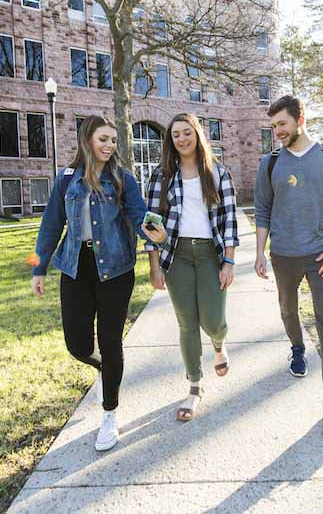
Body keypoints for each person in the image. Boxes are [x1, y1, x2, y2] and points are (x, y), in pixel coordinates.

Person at [31, 115, 167, 452]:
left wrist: (156, 234)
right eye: (103, 139)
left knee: (110, 341)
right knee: (77, 345)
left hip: (116, 270)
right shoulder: (66, 179)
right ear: (87, 140)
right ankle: (106, 371)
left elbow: (138, 215)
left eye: (113, 141)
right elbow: (51, 225)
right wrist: (38, 267)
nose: (109, 146)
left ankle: (109, 414)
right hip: (76, 268)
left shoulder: (123, 179)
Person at [253, 95, 323, 440]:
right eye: (273, 126)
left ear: (301, 120)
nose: (277, 132)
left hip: (321, 254)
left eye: (282, 124)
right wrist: (260, 252)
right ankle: (297, 346)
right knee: (287, 309)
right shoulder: (269, 163)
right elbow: (263, 210)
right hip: (283, 253)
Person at [145, 113, 239, 422]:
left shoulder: (218, 173)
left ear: (197, 134)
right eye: (176, 135)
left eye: (187, 133)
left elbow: (229, 222)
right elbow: (151, 223)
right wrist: (154, 264)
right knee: (187, 322)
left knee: (213, 321)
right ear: (170, 141)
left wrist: (228, 260)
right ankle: (195, 387)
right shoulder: (161, 176)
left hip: (211, 254)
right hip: (177, 255)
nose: (182, 139)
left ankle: (219, 344)